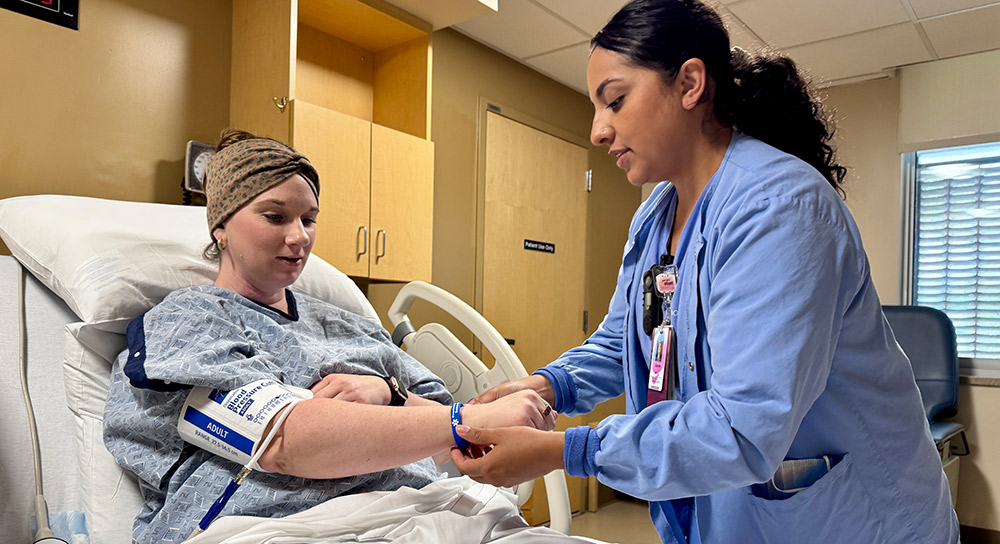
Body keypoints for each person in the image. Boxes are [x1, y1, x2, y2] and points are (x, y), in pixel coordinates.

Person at [450, 1, 960, 542]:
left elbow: (741, 428)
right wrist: (545, 385)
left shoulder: (780, 208)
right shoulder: (656, 216)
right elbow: (624, 341)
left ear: (690, 83)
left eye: (616, 101)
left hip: (862, 521)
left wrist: (564, 451)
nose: (599, 130)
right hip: (736, 513)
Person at [102, 129, 557, 543]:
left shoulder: (351, 325)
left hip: (432, 510)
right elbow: (281, 443)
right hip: (280, 524)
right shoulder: (191, 321)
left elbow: (439, 431)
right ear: (220, 227)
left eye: (309, 219)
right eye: (275, 216)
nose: (299, 237)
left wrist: (390, 395)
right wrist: (465, 422)